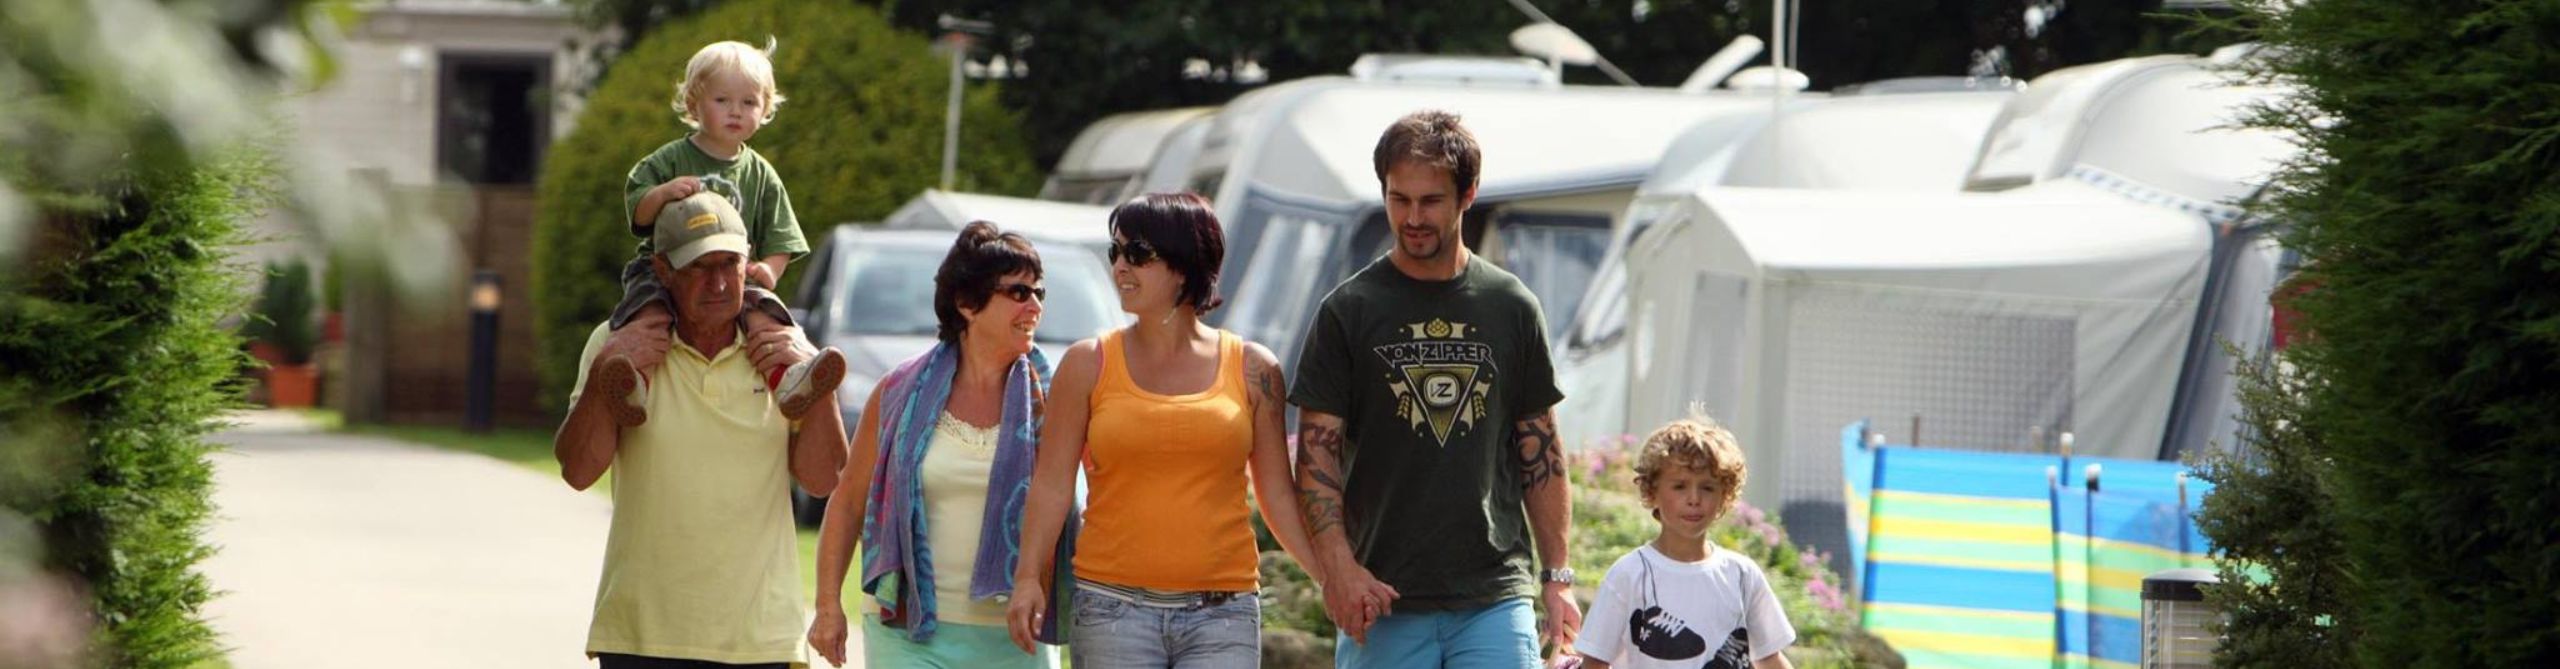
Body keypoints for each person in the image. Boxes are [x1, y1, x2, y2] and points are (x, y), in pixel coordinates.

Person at [1290, 110, 1582, 668]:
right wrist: (1339, 570)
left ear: (1468, 195)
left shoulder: (1511, 305)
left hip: (1494, 595)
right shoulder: (1348, 311)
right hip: (1382, 597)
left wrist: (1557, 576)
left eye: (1430, 201)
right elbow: (1316, 458)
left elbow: (1540, 451)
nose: (1413, 217)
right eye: (1399, 200)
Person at [1004, 193, 1323, 667]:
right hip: (1112, 611)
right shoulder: (1087, 363)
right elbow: (1051, 484)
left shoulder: (1255, 369)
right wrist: (1029, 575)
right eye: (1115, 252)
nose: (1120, 268)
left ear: (1186, 263)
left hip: (1224, 614)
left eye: (1138, 255)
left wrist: (1328, 576)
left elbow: (1276, 493)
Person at [554, 191, 850, 668]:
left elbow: (823, 479)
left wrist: (820, 392)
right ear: (663, 270)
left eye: (729, 264)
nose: (717, 284)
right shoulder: (618, 344)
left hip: (762, 638)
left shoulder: (780, 348)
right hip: (642, 637)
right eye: (698, 267)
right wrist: (603, 373)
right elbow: (578, 470)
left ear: (748, 263)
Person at [806, 221, 1066, 669]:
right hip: (908, 632)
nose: (1035, 306)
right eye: (1019, 293)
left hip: (1014, 633)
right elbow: (848, 500)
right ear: (967, 304)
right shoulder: (895, 393)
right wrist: (828, 605)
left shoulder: (1052, 400)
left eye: (1039, 292)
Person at [593, 39, 844, 428]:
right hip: (665, 271)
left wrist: (769, 271)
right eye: (723, 100)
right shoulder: (671, 159)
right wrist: (662, 194)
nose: (735, 112)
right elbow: (639, 213)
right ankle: (633, 386)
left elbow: (781, 234)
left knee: (766, 321)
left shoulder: (760, 173)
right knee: (650, 318)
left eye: (748, 103)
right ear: (694, 105)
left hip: (734, 275)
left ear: (765, 110)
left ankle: (791, 381)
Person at [1574, 419, 1796, 669]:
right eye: (1680, 486)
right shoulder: (1629, 574)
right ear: (1652, 491)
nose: (1694, 499)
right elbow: (1594, 660)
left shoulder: (1743, 575)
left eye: (1708, 487)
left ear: (1726, 495)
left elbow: (1770, 658)